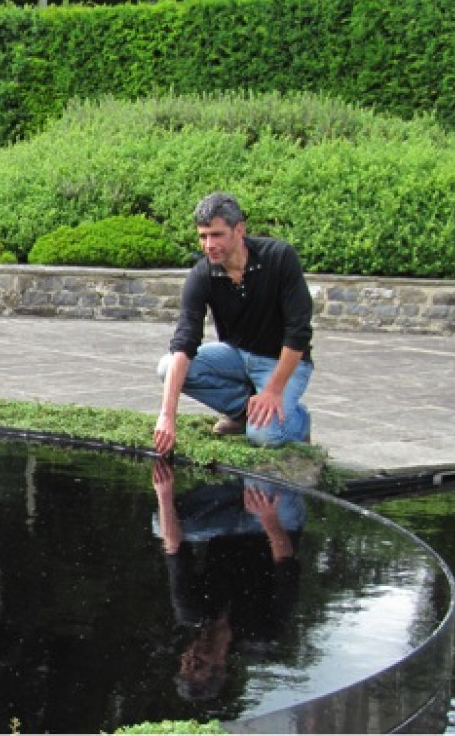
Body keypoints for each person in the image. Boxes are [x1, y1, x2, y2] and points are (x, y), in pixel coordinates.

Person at [154, 193, 314, 454]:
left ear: (239, 229)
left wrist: (273, 390)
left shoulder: (280, 257)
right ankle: (243, 412)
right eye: (203, 236)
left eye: (216, 235)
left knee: (264, 436)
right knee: (167, 366)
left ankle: (299, 419)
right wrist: (167, 416)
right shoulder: (202, 274)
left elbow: (299, 332)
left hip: (283, 360)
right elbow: (185, 341)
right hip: (236, 355)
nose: (208, 245)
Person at [151, 459, 304, 702]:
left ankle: (236, 483)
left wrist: (164, 494)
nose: (192, 654)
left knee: (161, 524)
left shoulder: (191, 612)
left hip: (226, 526)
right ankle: (247, 483)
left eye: (187, 660)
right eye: (198, 663)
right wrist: (268, 519)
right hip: (273, 527)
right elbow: (286, 561)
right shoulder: (262, 631)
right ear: (219, 668)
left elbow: (174, 548)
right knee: (264, 466)